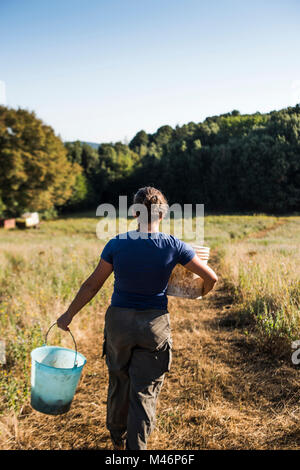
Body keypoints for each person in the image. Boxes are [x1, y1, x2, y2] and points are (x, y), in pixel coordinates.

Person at [57, 186, 218, 450]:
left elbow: (91, 286)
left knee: (119, 381)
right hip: (153, 325)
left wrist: (68, 315)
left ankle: (117, 440)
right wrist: (198, 292)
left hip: (119, 323)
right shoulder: (174, 245)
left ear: (134, 213)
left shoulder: (116, 244)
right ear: (163, 215)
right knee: (144, 391)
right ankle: (136, 449)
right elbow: (211, 278)